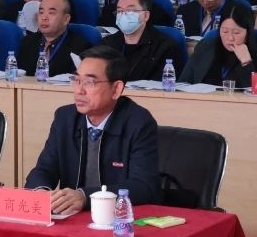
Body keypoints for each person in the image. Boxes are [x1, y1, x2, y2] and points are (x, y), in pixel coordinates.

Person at [24, 45, 160, 214]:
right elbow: (43, 170)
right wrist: (41, 192)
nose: (79, 90)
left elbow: (143, 187)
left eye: (89, 82)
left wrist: (85, 197)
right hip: (72, 217)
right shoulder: (65, 118)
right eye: (76, 80)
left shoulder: (139, 122)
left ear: (116, 89)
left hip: (118, 217)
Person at [180, 4, 257, 88]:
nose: (230, 38)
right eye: (225, 31)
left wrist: (246, 62)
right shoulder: (205, 47)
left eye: (236, 33)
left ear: (248, 33)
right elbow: (183, 83)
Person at [103, 0, 171, 80]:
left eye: (130, 10)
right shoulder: (107, 43)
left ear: (146, 15)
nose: (123, 15)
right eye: (119, 11)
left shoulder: (163, 46)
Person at [16, 0, 88, 77]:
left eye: (51, 13)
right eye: (41, 12)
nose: (44, 18)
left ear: (66, 19)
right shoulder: (27, 42)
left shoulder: (80, 47)